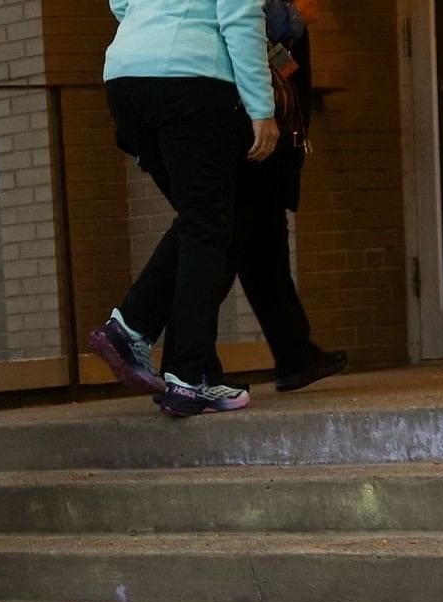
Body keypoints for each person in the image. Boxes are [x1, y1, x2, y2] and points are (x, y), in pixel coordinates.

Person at [85, 0, 277, 417]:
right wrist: (262, 108)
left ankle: (141, 333)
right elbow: (241, 17)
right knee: (207, 227)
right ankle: (188, 377)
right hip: (191, 80)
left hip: (126, 77)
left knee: (201, 224)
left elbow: (119, 2)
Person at [233, 0, 345, 395]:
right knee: (250, 235)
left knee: (259, 236)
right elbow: (248, 21)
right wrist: (296, 16)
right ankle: (292, 352)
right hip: (254, 111)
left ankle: (294, 351)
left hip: (258, 107)